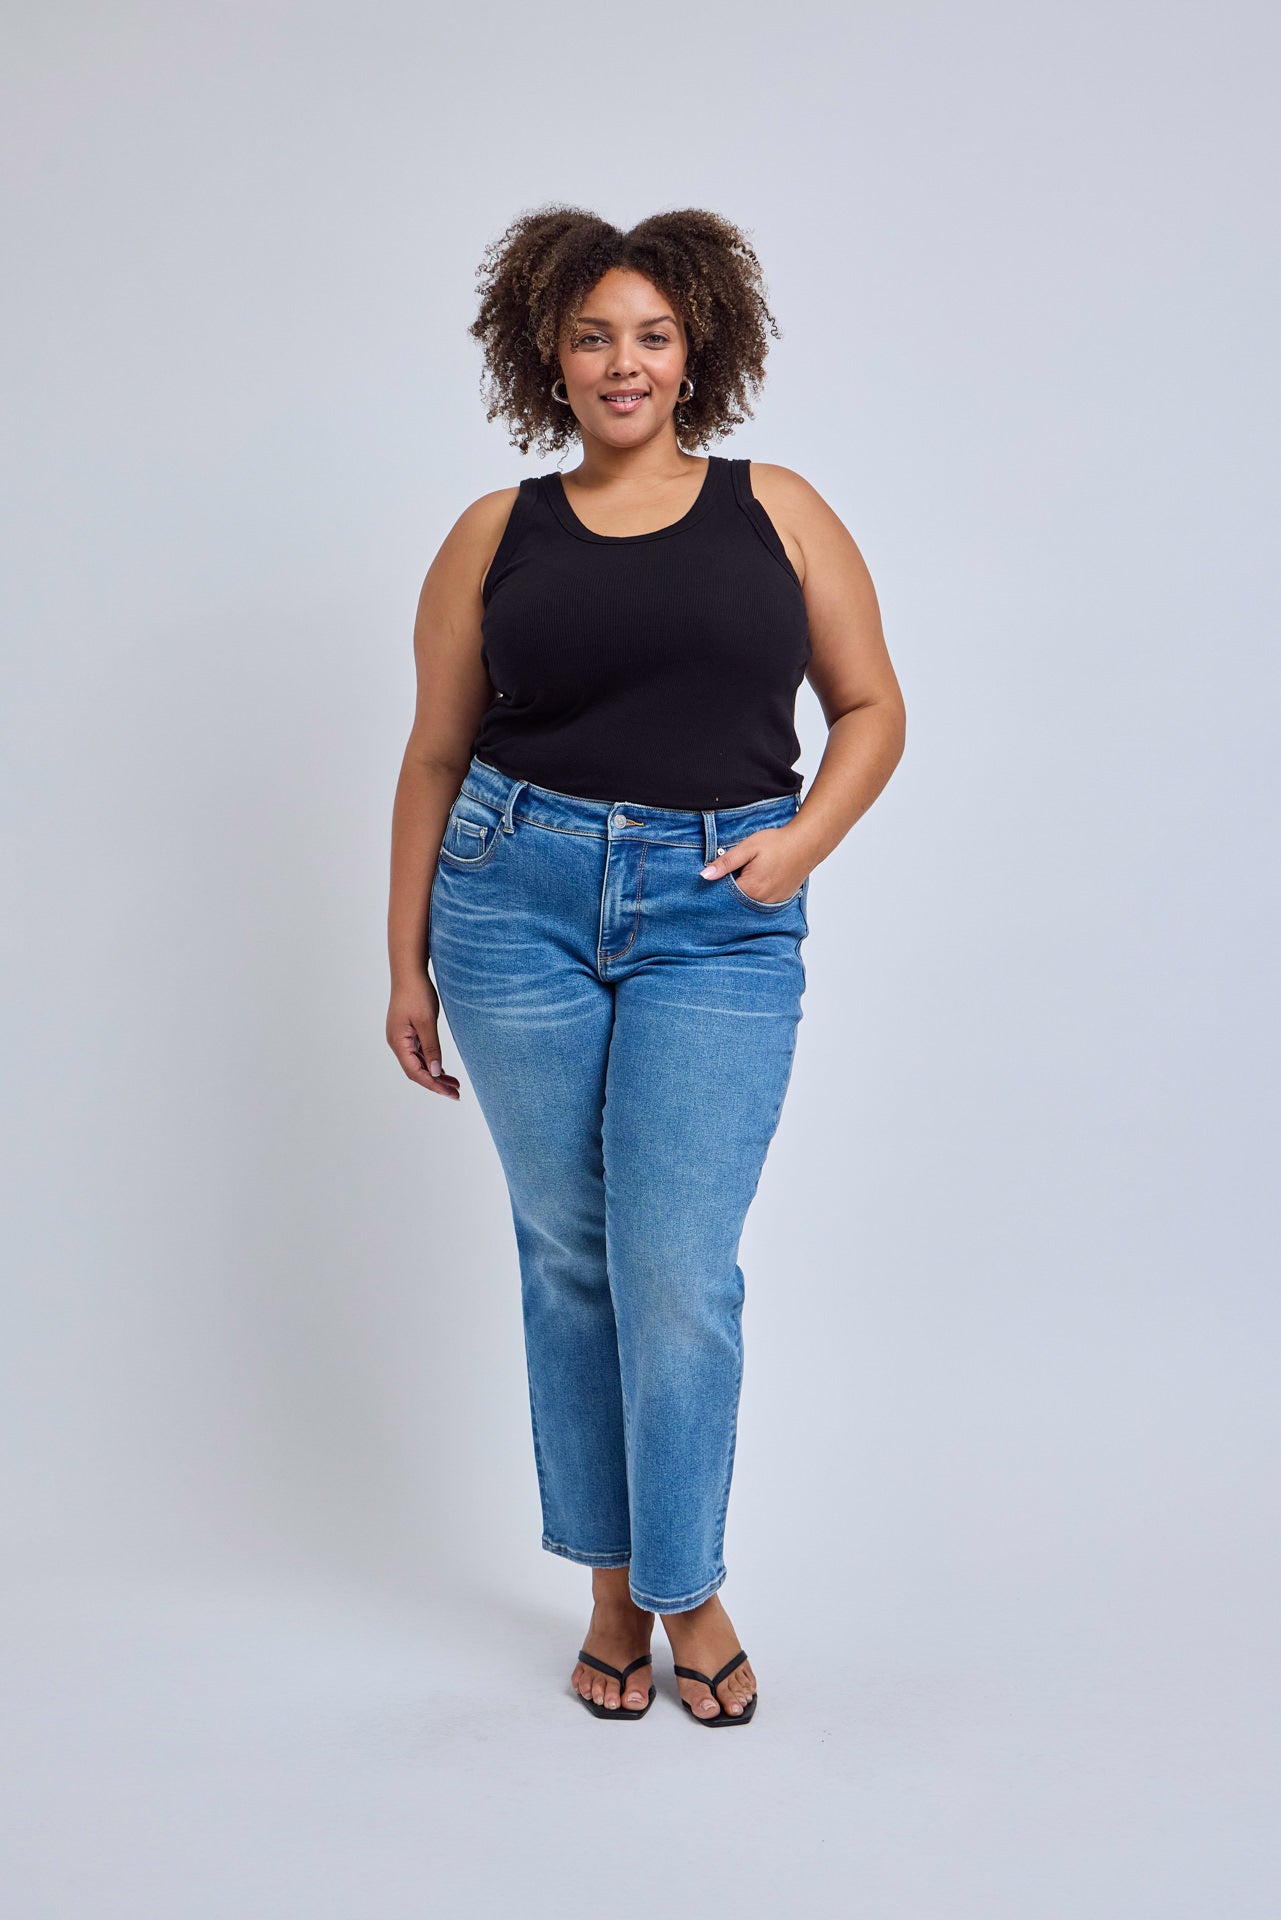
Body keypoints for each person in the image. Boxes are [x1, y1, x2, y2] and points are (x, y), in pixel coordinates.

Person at [386, 206, 906, 1725]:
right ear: (548, 359)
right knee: (570, 1253)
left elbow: (871, 709)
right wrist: (405, 960)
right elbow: (432, 755)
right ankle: (614, 1590)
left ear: (696, 354)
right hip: (513, 898)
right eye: (594, 336)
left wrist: (796, 849)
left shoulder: (778, 509)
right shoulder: (494, 533)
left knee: (675, 1267)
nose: (625, 362)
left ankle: (688, 1585)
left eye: (653, 336)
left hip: (718, 908)